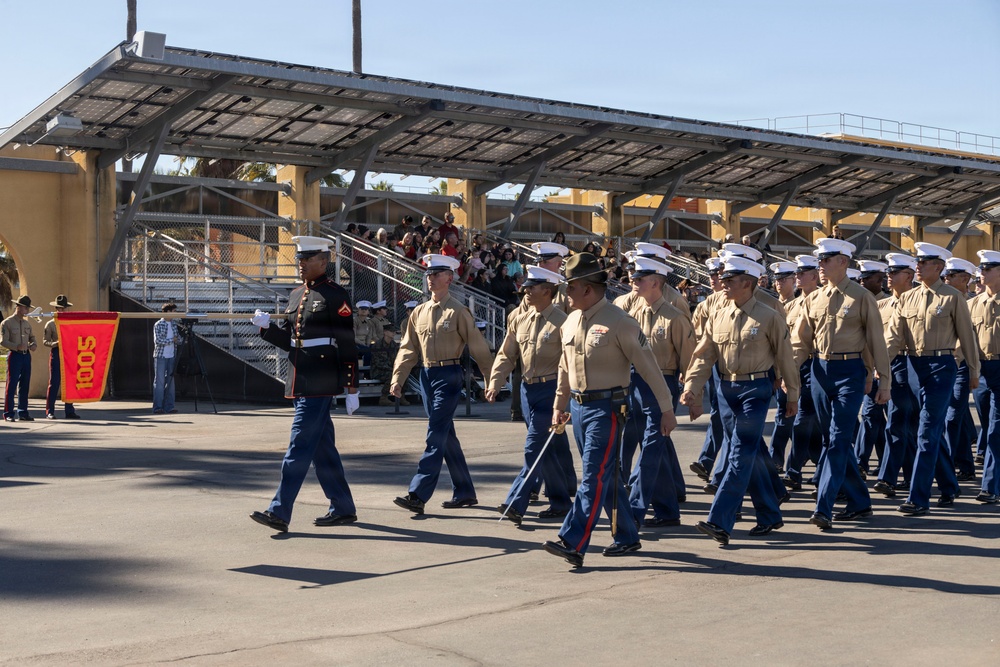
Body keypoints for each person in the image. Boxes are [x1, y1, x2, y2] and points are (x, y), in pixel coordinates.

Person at [542, 253, 677, 568]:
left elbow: (650, 368)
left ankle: (573, 541)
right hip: (578, 409)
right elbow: (564, 367)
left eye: (570, 287)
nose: (565, 293)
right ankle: (627, 535)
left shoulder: (620, 322)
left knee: (592, 476)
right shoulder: (570, 320)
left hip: (608, 409)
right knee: (607, 476)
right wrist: (559, 405)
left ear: (588, 289)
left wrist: (666, 409)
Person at [682, 256, 799, 545]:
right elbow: (704, 355)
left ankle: (720, 520)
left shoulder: (769, 316)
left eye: (730, 280)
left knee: (739, 453)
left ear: (747, 283)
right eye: (723, 279)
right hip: (726, 391)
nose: (723, 284)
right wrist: (692, 387)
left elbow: (785, 358)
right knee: (752, 454)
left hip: (755, 391)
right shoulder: (718, 315)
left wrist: (792, 395)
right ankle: (769, 513)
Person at [249, 236, 361, 533]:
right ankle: (343, 507)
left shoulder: (335, 294)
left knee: (298, 446)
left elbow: (347, 342)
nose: (301, 264)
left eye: (307, 259)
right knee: (323, 450)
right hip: (300, 377)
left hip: (321, 379)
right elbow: (290, 340)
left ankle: (279, 511)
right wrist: (266, 328)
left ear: (323, 262)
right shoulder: (296, 294)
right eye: (299, 259)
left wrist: (352, 386)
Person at [793, 238, 890, 529]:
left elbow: (876, 341)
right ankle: (860, 502)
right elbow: (800, 343)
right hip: (820, 371)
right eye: (819, 260)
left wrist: (882, 380)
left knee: (837, 439)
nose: (820, 265)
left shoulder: (861, 297)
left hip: (851, 371)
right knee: (832, 439)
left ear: (843, 262)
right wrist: (786, 374)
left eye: (826, 260)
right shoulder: (813, 299)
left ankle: (823, 506)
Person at [389, 254, 494, 514]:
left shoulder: (458, 311)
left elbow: (478, 346)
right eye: (428, 274)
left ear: (449, 278)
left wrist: (491, 378)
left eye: (436, 274)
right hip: (427, 375)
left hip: (449, 375)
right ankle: (465, 492)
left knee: (435, 433)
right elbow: (408, 349)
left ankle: (418, 494)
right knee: (446, 436)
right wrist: (398, 378)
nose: (430, 278)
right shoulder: (419, 312)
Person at [884, 242, 979, 516]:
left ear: (938, 267)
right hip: (914, 366)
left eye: (924, 263)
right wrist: (878, 366)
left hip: (941, 367)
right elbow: (893, 338)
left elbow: (967, 337)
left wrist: (973, 371)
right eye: (918, 262)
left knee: (926, 431)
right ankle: (948, 485)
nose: (918, 266)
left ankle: (918, 498)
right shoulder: (907, 298)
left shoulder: (952, 297)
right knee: (927, 430)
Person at [486, 265, 572, 525]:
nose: (525, 291)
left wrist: (566, 397)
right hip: (527, 391)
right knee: (546, 449)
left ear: (547, 291)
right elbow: (506, 354)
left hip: (551, 391)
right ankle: (561, 502)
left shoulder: (563, 322)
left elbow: (571, 361)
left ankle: (516, 502)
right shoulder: (519, 319)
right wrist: (495, 382)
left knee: (533, 447)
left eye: (531, 287)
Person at [619, 256, 695, 528]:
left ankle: (634, 511)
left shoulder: (675, 317)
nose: (634, 282)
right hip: (635, 385)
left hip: (663, 385)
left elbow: (690, 359)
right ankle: (667, 511)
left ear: (655, 282)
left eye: (640, 279)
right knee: (655, 450)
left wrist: (693, 395)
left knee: (651, 449)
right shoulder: (631, 315)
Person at [872, 253, 919, 498]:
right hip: (891, 365)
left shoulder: (919, 301)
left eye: (894, 272)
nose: (888, 276)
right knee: (897, 422)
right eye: (888, 272)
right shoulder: (882, 306)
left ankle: (906, 476)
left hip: (915, 364)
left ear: (909, 276)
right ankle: (892, 477)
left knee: (911, 424)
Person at [781, 254, 824, 491]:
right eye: (796, 273)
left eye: (802, 273)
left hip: (818, 365)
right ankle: (798, 471)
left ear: (815, 276)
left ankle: (800, 470)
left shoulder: (824, 301)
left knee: (813, 422)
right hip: (797, 366)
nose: (797, 277)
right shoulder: (791, 306)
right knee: (804, 422)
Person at [942, 257, 980, 482]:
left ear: (964, 279)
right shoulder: (945, 300)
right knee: (960, 416)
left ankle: (948, 465)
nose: (945, 279)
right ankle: (965, 465)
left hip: (963, 365)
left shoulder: (972, 303)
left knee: (953, 416)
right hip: (946, 364)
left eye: (950, 276)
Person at [853, 260, 890, 478]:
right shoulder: (858, 301)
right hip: (867, 368)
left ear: (879, 280)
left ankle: (885, 462)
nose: (862, 282)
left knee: (886, 419)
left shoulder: (889, 304)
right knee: (870, 416)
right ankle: (861, 462)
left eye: (867, 278)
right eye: (861, 278)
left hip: (886, 369)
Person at [969, 250, 1000, 504]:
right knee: (989, 427)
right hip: (981, 372)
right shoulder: (972, 304)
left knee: (996, 430)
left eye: (988, 269)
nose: (982, 273)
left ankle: (990, 486)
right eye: (982, 269)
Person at [766, 261, 798, 472]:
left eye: (783, 279)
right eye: (777, 280)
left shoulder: (801, 305)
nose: (779, 283)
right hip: (772, 366)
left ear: (794, 281)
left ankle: (776, 459)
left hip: (792, 366)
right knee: (786, 415)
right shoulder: (769, 305)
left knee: (785, 415)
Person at [43, 295, 80, 420]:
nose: (62, 310)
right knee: (54, 382)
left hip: (69, 354)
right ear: (56, 309)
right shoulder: (50, 324)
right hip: (57, 353)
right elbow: (45, 341)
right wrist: (56, 343)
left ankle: (69, 410)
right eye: (60, 308)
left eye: (64, 308)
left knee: (70, 383)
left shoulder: (72, 323)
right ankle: (50, 411)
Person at [2, 295, 37, 422]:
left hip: (26, 356)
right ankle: (8, 413)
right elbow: (3, 341)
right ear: (18, 306)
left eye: (28, 308)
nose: (27, 310)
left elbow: (32, 337)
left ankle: (23, 412)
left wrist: (34, 344)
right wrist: (16, 346)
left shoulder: (27, 323)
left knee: (25, 384)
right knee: (11, 385)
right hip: (15, 355)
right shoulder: (7, 323)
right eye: (26, 307)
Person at [152, 302, 180, 415]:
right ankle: (158, 407)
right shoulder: (159, 324)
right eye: (174, 311)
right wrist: (172, 340)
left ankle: (169, 406)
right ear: (168, 312)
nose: (175, 313)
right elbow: (158, 341)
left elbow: (178, 339)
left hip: (171, 355)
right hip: (160, 356)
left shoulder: (174, 324)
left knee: (171, 382)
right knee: (159, 382)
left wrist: (178, 340)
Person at [372, 323, 407, 406]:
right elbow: (378, 363)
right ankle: (383, 397)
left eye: (394, 332)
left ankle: (401, 396)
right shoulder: (378, 345)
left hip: (390, 368)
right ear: (385, 332)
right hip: (378, 370)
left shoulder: (394, 345)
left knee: (402, 374)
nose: (393, 333)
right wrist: (392, 369)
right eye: (391, 331)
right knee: (391, 376)